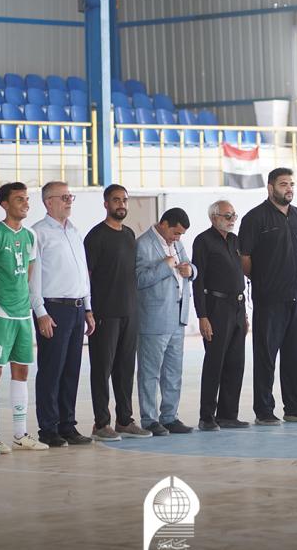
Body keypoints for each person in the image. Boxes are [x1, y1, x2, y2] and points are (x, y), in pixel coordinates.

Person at [240, 168, 297, 424]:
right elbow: (245, 259)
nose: (289, 188)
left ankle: (294, 407)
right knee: (266, 358)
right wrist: (265, 279)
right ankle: (264, 411)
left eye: (292, 184)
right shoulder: (255, 218)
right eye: (284, 184)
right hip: (270, 300)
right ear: (270, 187)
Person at [0, 183, 49, 452]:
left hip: (22, 314)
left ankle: (20, 433)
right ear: (5, 204)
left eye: (27, 199)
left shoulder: (30, 236)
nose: (25, 203)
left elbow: (29, 276)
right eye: (19, 199)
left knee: (21, 370)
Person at [29, 181, 95, 447]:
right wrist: (40, 312)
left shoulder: (74, 231)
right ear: (48, 202)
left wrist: (88, 307)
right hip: (53, 308)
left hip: (77, 308)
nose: (69, 201)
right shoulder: (38, 233)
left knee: (71, 370)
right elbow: (33, 278)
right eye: (64, 197)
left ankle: (68, 425)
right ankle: (48, 428)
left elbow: (82, 273)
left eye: (70, 196)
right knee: (51, 370)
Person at [84, 185, 150, 440]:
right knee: (102, 370)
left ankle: (125, 420)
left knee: (125, 369)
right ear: (106, 204)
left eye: (124, 200)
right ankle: (101, 424)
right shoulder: (96, 236)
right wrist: (89, 310)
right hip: (105, 313)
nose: (121, 204)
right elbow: (87, 276)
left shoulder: (129, 234)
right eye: (116, 200)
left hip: (129, 313)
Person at [135, 208, 197, 435]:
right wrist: (165, 266)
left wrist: (191, 270)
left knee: (173, 371)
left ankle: (170, 416)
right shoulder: (143, 244)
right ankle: (149, 419)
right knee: (150, 372)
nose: (177, 238)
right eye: (175, 232)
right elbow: (138, 279)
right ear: (163, 224)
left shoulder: (177, 244)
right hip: (154, 319)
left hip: (178, 317)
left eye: (181, 234)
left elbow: (189, 266)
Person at [193, 200, 250, 430]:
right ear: (214, 217)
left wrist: (244, 314)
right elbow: (198, 281)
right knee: (214, 363)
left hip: (238, 306)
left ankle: (228, 415)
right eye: (227, 216)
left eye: (234, 215)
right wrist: (202, 316)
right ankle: (207, 416)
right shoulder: (203, 241)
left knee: (236, 363)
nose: (232, 219)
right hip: (216, 307)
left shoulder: (235, 240)